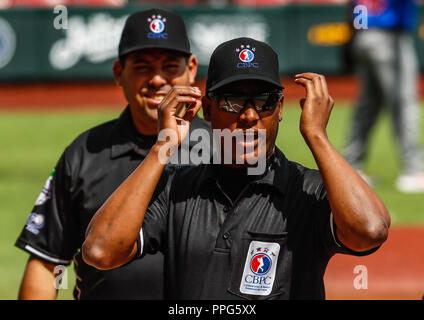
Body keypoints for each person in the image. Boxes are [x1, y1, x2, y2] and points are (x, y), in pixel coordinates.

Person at [82, 37, 390, 299]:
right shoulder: (176, 190)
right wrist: (161, 149)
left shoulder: (307, 190)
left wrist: (318, 137)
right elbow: (100, 251)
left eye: (264, 101)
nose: (249, 116)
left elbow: (369, 231)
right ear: (208, 108)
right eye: (232, 101)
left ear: (280, 110)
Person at [15, 8, 210, 300]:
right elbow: (48, 262)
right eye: (143, 66)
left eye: (170, 66)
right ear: (119, 73)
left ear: (191, 69)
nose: (157, 79)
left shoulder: (223, 149)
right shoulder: (85, 153)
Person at [344, 0, 424, 192]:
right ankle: (414, 170)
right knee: (402, 104)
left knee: (367, 106)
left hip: (363, 35)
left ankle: (351, 166)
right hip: (389, 39)